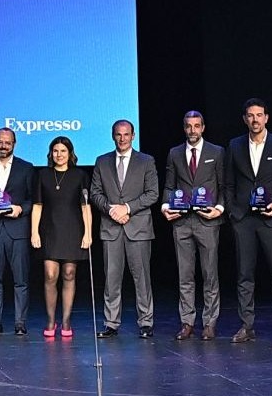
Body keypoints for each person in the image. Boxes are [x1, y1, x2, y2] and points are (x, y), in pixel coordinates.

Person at [227, 98, 272, 345]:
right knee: (244, 274)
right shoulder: (235, 145)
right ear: (245, 119)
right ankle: (246, 326)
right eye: (250, 115)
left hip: (271, 219)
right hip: (244, 219)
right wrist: (234, 212)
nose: (255, 119)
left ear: (266, 118)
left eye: (259, 115)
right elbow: (228, 182)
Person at [89, 121, 156, 339]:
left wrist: (126, 208)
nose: (122, 139)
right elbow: (95, 193)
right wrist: (112, 210)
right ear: (113, 136)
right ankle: (111, 323)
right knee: (111, 278)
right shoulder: (102, 161)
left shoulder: (146, 161)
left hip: (138, 227)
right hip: (111, 228)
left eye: (126, 134)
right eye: (118, 134)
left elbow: (152, 193)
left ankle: (146, 322)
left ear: (133, 136)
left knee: (142, 278)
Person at [164, 111, 227, 340]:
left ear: (203, 127)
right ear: (184, 128)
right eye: (189, 126)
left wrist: (219, 208)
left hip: (207, 221)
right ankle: (187, 322)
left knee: (210, 275)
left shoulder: (216, 152)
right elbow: (169, 186)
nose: (193, 130)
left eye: (197, 126)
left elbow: (224, 185)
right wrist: (165, 206)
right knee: (185, 275)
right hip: (181, 222)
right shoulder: (174, 153)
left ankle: (209, 323)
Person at [34, 135, 94, 338]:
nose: (59, 155)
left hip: (73, 230)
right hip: (49, 230)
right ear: (51, 153)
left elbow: (85, 207)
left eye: (63, 151)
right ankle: (51, 320)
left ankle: (66, 321)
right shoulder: (43, 175)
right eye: (55, 151)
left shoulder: (80, 175)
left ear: (70, 154)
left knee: (69, 273)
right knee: (50, 274)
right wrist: (34, 232)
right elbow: (37, 205)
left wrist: (88, 233)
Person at [0, 128, 36, 335]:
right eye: (0, 142)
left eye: (7, 142)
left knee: (21, 280)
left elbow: (33, 199)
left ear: (14, 143)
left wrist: (20, 209)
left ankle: (20, 323)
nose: (3, 146)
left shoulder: (26, 167)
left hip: (17, 230)